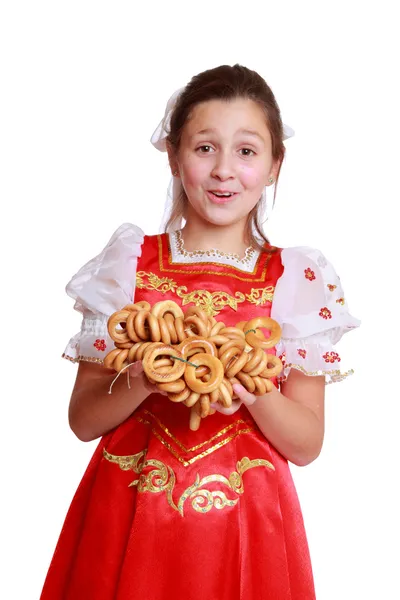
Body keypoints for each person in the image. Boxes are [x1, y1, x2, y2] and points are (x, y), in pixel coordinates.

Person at [41, 64, 360, 600]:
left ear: (275, 164)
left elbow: (306, 444)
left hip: (247, 523)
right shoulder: (129, 266)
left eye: (247, 151)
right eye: (205, 147)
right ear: (173, 155)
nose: (224, 171)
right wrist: (144, 377)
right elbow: (82, 420)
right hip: (127, 511)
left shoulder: (294, 281)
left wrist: (252, 393)